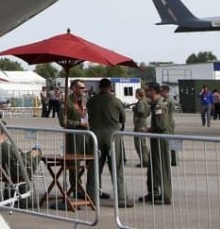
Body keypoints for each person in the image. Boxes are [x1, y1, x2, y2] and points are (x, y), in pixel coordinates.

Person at [87, 78, 133, 207]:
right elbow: (123, 118)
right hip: (112, 134)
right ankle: (121, 197)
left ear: (99, 87)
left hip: (95, 134)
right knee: (116, 166)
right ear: (110, 87)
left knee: (94, 167)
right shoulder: (115, 101)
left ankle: (92, 196)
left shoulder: (91, 101)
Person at [60, 79, 94, 200]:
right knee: (74, 164)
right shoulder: (66, 102)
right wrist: (79, 123)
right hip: (74, 137)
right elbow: (63, 122)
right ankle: (76, 189)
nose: (84, 89)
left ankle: (93, 189)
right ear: (74, 88)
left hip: (87, 136)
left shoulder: (84, 100)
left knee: (92, 161)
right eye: (81, 87)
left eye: (84, 87)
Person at [0, 123, 39, 204]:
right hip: (15, 174)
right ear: (5, 131)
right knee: (37, 151)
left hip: (0, 174)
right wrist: (31, 155)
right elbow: (22, 161)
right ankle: (24, 201)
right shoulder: (9, 148)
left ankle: (9, 195)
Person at [140, 83, 172, 205]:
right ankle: (153, 193)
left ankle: (166, 195)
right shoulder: (155, 105)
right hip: (156, 140)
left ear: (153, 91)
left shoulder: (159, 105)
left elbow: (161, 126)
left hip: (160, 141)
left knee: (161, 167)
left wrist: (149, 129)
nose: (145, 93)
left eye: (147, 90)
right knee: (153, 167)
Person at [132, 87, 151, 169]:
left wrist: (137, 115)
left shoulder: (141, 103)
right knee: (141, 143)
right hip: (143, 122)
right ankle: (145, 160)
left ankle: (145, 160)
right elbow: (148, 113)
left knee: (139, 143)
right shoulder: (145, 101)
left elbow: (141, 111)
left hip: (140, 123)